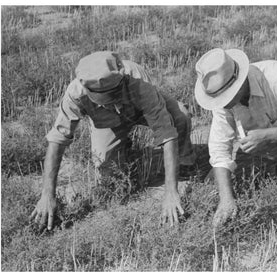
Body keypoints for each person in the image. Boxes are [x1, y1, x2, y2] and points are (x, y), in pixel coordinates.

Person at [30, 51, 195, 230]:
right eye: (102, 101)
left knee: (180, 116)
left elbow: (165, 132)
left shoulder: (139, 82)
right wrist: (47, 195)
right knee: (110, 175)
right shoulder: (75, 93)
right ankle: (127, 150)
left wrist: (171, 192)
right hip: (108, 123)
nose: (110, 104)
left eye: (113, 97)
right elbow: (57, 141)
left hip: (140, 111)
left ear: (122, 82)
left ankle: (185, 160)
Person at [194, 48, 277, 235]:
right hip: (261, 149)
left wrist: (266, 135)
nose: (224, 103)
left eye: (227, 97)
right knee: (214, 182)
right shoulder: (222, 99)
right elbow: (219, 148)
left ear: (239, 82)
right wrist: (226, 198)